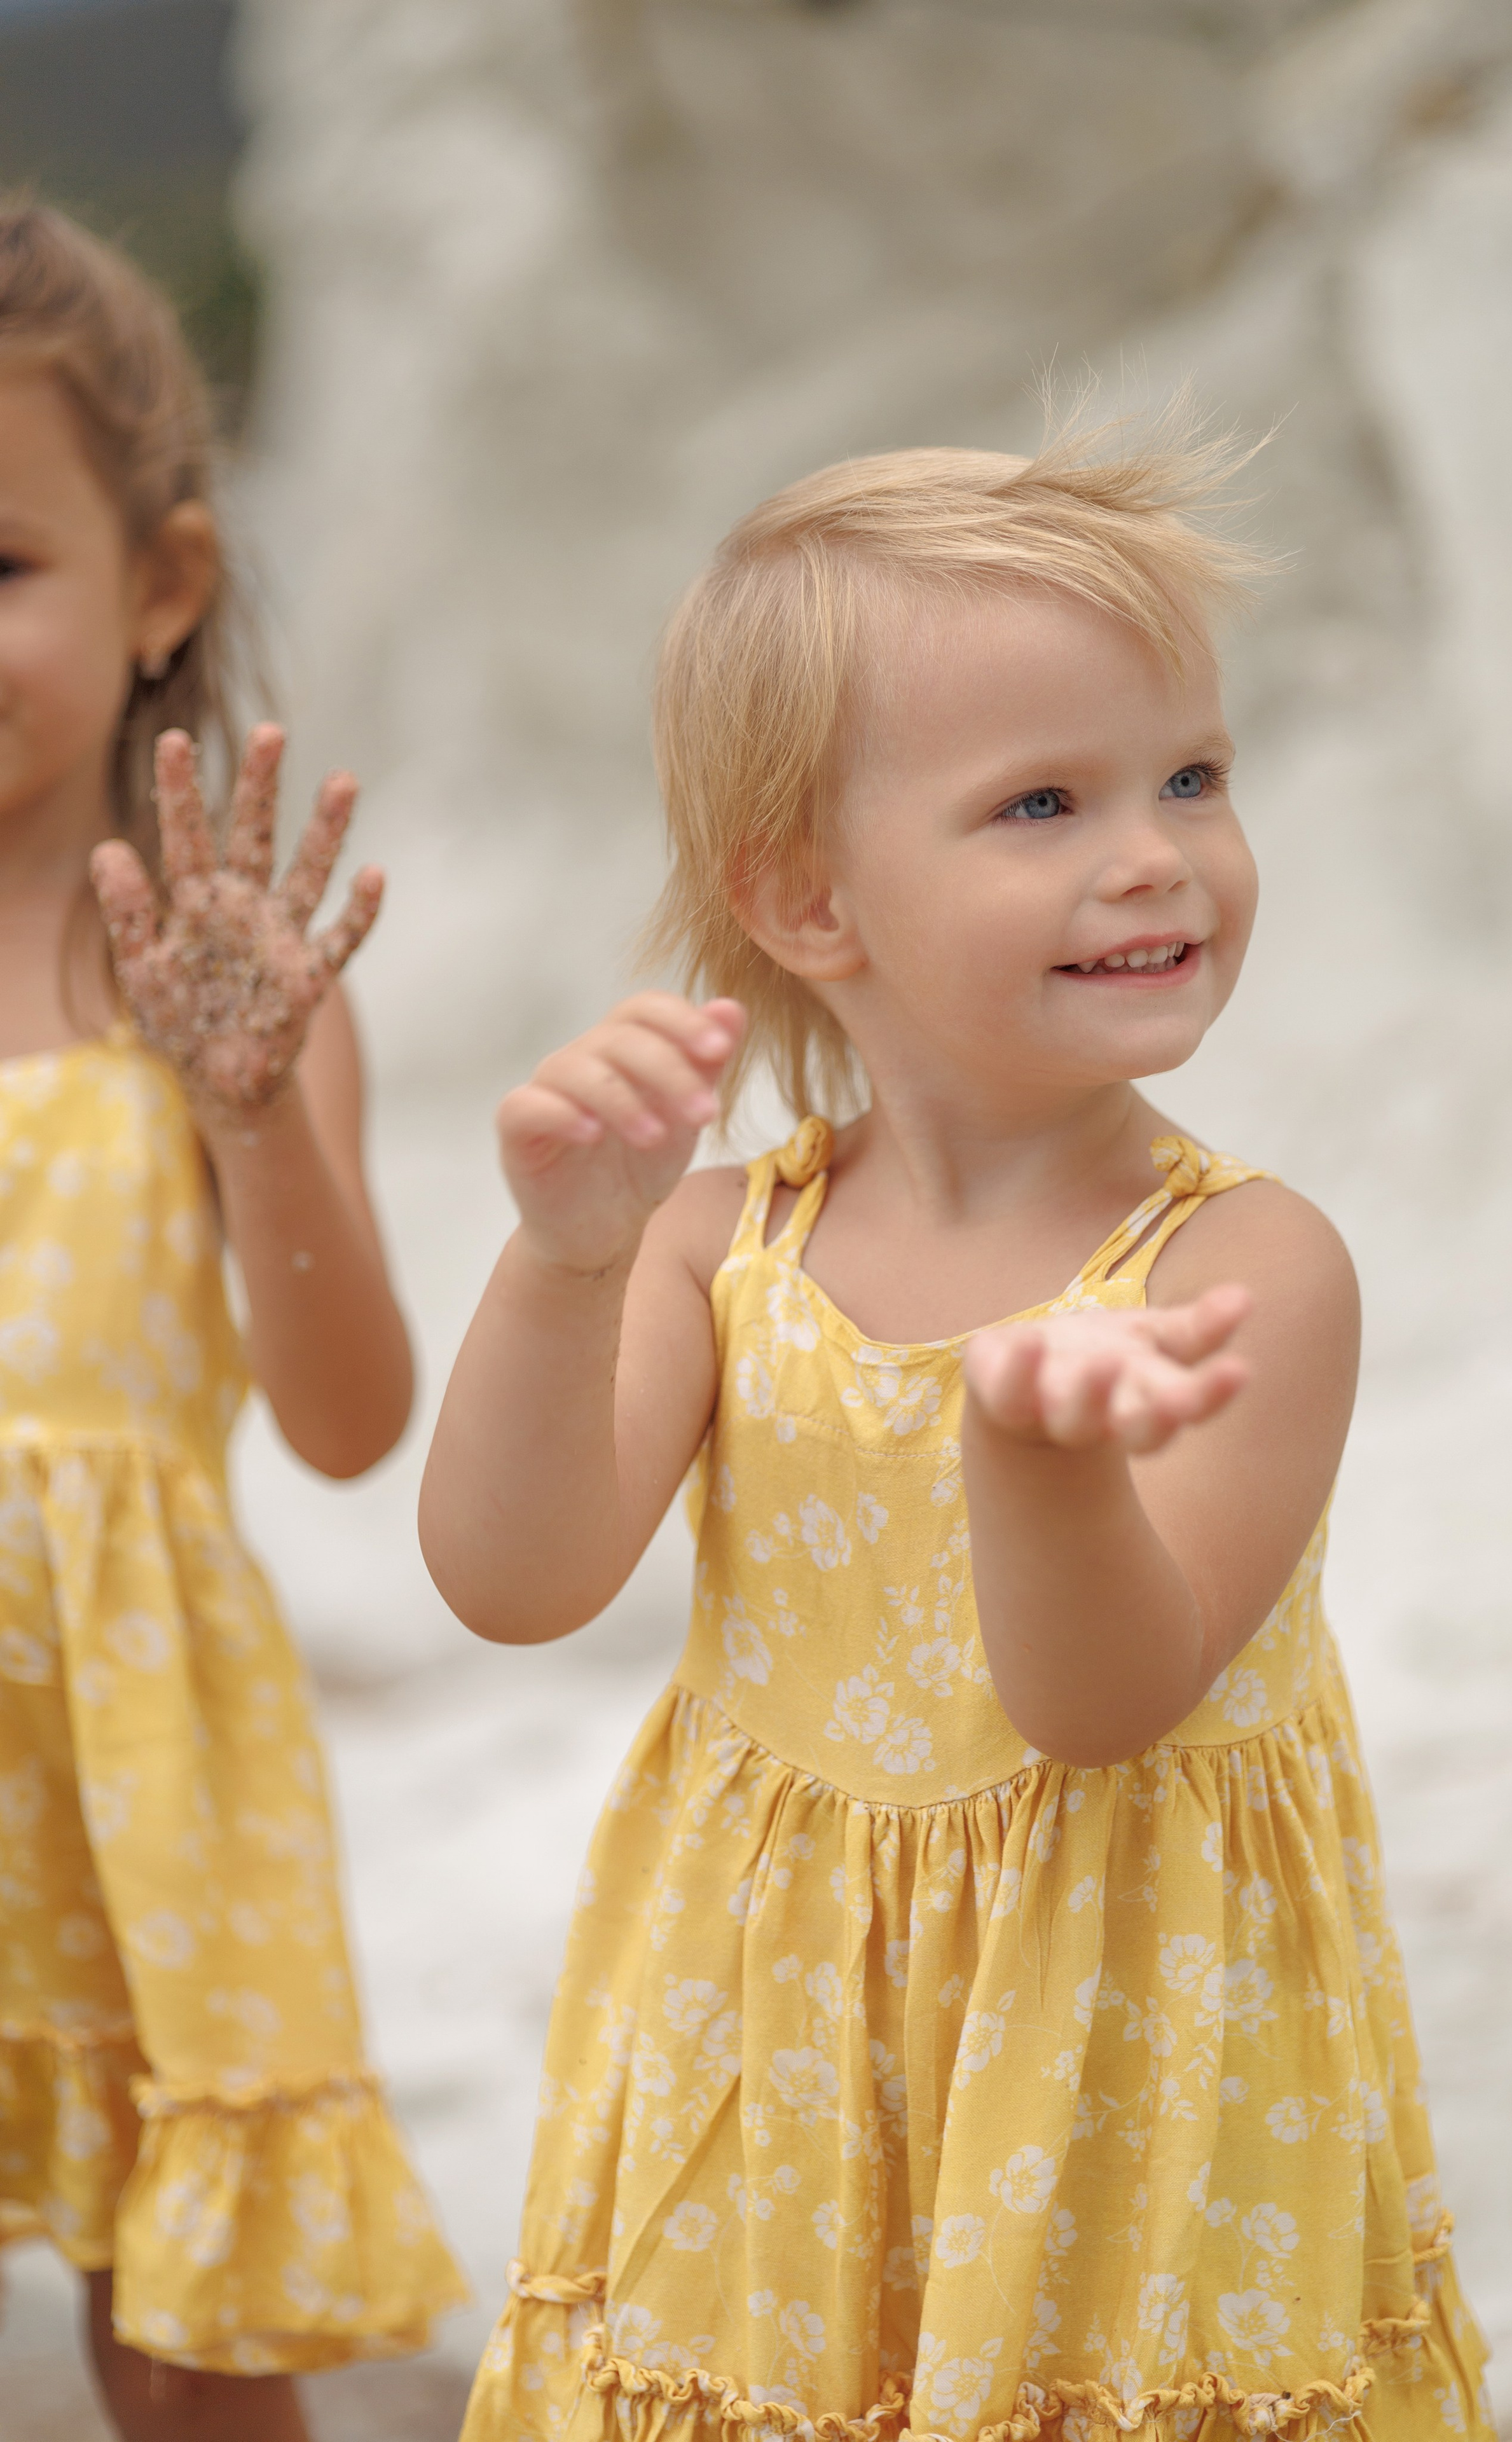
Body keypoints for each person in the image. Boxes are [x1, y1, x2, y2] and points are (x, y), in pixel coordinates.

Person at [424, 425, 1492, 2441]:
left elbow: (1104, 1701)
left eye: (1192, 775)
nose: (1157, 850)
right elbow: (511, 1579)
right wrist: (561, 1271)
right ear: (811, 902)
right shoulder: (714, 1245)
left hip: (1122, 2064)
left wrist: (1045, 1459)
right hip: (788, 2047)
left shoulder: (1245, 1267)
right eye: (1042, 802)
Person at [0, 205, 465, 2439]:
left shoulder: (214, 970)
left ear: (162, 583)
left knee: (179, 2334)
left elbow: (354, 1421)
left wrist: (253, 1108)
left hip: (146, 1772)